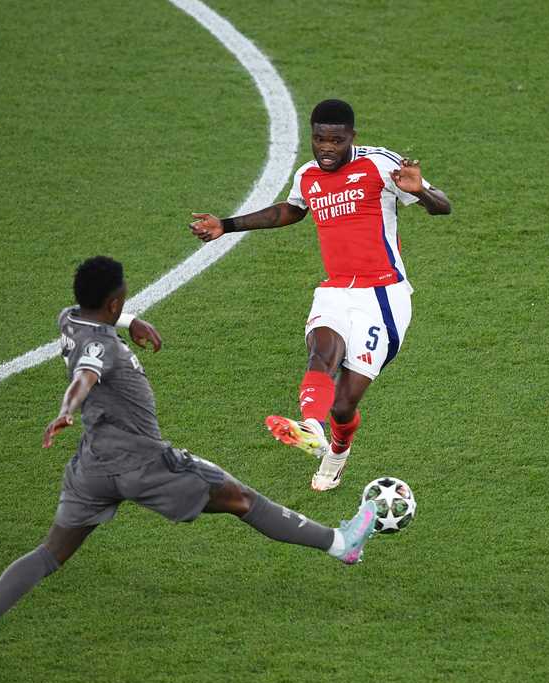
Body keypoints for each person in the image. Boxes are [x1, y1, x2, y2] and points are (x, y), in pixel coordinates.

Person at [0, 256, 378, 676]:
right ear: (114, 300)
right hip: (146, 462)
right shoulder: (99, 347)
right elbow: (86, 374)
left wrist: (130, 320)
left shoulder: (71, 320)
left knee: (49, 553)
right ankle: (341, 543)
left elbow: (93, 336)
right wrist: (67, 408)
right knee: (243, 500)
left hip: (93, 464)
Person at [189, 99, 451, 491]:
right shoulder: (308, 176)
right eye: (319, 139)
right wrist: (227, 225)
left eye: (336, 140)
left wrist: (421, 192)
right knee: (321, 350)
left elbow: (442, 207)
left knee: (345, 403)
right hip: (335, 290)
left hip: (382, 297)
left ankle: (337, 453)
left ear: (352, 138)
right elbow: (293, 210)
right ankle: (311, 424)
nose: (326, 147)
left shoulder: (380, 164)